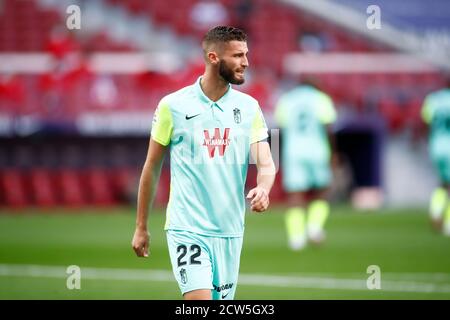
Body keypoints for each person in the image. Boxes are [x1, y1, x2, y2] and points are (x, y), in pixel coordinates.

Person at [131, 26, 276, 300]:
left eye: (246, 54)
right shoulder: (172, 106)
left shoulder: (249, 108)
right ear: (213, 57)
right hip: (187, 227)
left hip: (230, 230)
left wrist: (264, 189)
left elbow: (266, 163)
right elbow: (151, 166)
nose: (246, 62)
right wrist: (141, 226)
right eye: (237, 55)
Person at [275, 77, 337, 250]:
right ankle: (314, 228)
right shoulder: (321, 98)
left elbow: (279, 128)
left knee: (295, 194)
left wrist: (275, 155)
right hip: (317, 150)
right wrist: (333, 152)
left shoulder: (286, 99)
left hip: (293, 151)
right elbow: (328, 127)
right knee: (322, 190)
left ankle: (296, 238)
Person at [421, 74, 450, 236]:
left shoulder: (433, 99)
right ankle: (448, 223)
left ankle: (435, 210)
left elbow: (426, 122)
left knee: (442, 182)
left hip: (436, 144)